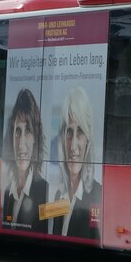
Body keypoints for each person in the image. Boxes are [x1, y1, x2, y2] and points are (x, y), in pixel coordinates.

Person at [47, 86, 102, 239]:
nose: (73, 145)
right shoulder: (59, 195)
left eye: (80, 132)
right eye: (69, 132)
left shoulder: (98, 193)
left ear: (88, 140)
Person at [2, 88, 48, 232]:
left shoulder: (44, 190)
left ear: (35, 138)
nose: (21, 144)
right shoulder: (8, 193)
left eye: (27, 131)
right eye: (17, 131)